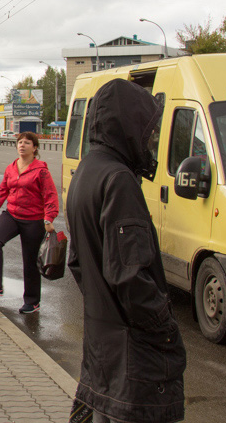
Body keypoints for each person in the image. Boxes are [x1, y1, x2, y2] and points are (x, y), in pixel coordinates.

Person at [66, 79, 186, 423]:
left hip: (103, 353)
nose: (150, 140)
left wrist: (104, 307)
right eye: (147, 131)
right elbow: (130, 275)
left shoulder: (86, 171)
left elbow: (78, 263)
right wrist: (164, 329)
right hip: (136, 359)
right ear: (127, 125)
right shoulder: (118, 179)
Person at [0, 131, 59, 314]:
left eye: (27, 143)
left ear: (35, 148)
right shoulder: (11, 168)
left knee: (30, 262)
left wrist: (49, 218)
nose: (22, 145)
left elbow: (50, 196)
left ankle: (32, 301)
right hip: (12, 215)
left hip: (33, 220)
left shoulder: (41, 171)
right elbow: (1, 192)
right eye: (20, 142)